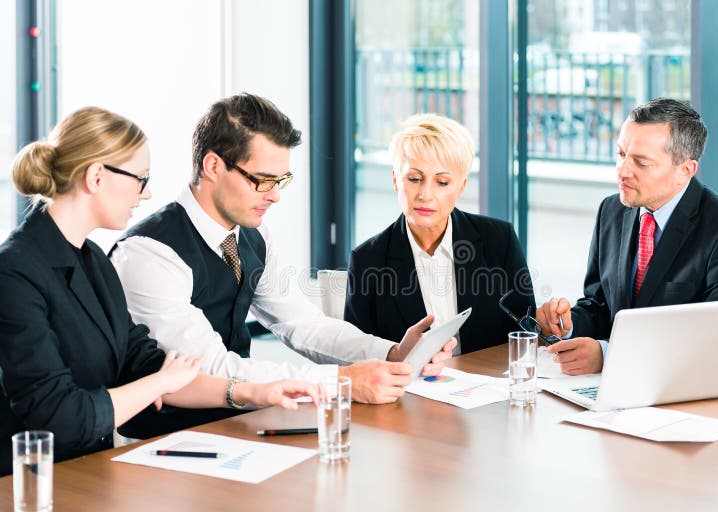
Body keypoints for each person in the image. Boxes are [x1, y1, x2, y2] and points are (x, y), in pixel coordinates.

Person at [0, 107, 319, 476]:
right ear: (96, 177)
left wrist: (248, 392)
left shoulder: (94, 262)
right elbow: (61, 416)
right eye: (140, 178)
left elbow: (145, 364)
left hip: (88, 472)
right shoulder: (15, 272)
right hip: (26, 487)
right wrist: (159, 383)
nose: (147, 193)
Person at [110, 94, 453, 433]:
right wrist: (342, 380)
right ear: (213, 166)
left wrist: (391, 354)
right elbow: (211, 368)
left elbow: (304, 325)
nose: (274, 195)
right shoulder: (149, 253)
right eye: (262, 180)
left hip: (240, 423)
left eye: (280, 180)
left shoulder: (252, 236)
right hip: (166, 440)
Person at [536, 97, 718, 375]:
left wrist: (610, 356)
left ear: (685, 171)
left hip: (710, 394)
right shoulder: (612, 210)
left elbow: (717, 340)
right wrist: (568, 323)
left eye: (641, 163)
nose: (622, 172)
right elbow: (601, 306)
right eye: (621, 154)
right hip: (626, 394)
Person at [344, 113, 535, 354]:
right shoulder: (367, 259)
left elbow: (527, 331)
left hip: (490, 385)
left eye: (442, 182)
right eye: (414, 179)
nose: (425, 194)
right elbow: (355, 354)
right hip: (410, 389)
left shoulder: (499, 239)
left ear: (460, 188)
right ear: (395, 180)